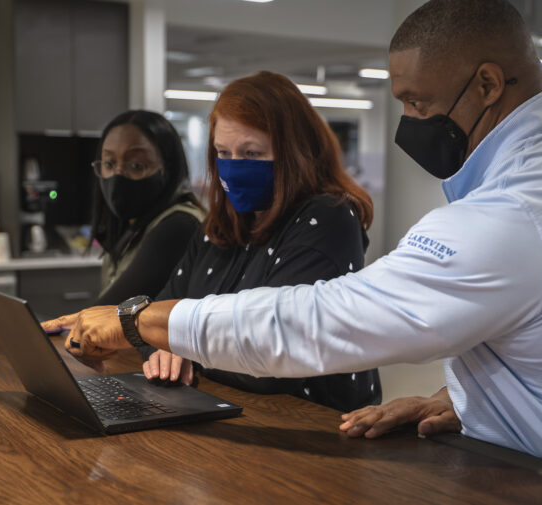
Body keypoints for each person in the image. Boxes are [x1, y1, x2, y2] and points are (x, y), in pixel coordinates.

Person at [44, 1, 542, 503]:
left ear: (488, 83)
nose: (408, 120)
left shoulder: (520, 210)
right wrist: (472, 400)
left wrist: (139, 320)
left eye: (418, 102)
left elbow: (323, 321)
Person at [97, 72, 381, 412]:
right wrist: (165, 344)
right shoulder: (222, 223)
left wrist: (183, 341)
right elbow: (157, 317)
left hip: (316, 429)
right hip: (227, 416)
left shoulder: (328, 218)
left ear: (294, 153)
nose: (233, 167)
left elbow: (270, 363)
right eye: (223, 152)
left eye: (251, 153)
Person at [90, 110, 204, 305]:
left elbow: (105, 313)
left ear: (167, 169)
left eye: (136, 166)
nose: (117, 176)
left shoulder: (179, 225)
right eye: (109, 163)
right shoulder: (131, 225)